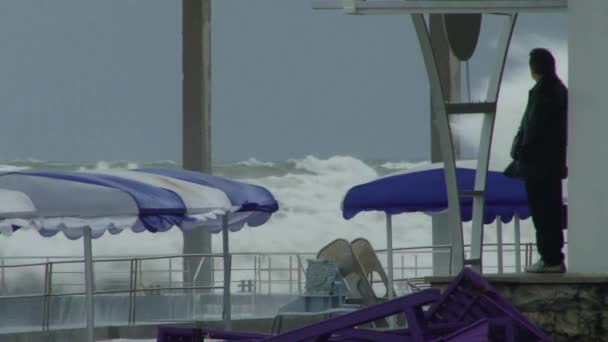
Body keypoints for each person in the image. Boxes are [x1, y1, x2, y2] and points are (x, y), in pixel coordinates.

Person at [507, 48, 568, 273]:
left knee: (543, 212)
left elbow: (533, 127)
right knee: (550, 210)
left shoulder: (544, 92)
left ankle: (550, 258)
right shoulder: (559, 90)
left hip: (539, 166)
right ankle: (553, 257)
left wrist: (521, 151)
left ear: (534, 68)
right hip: (551, 164)